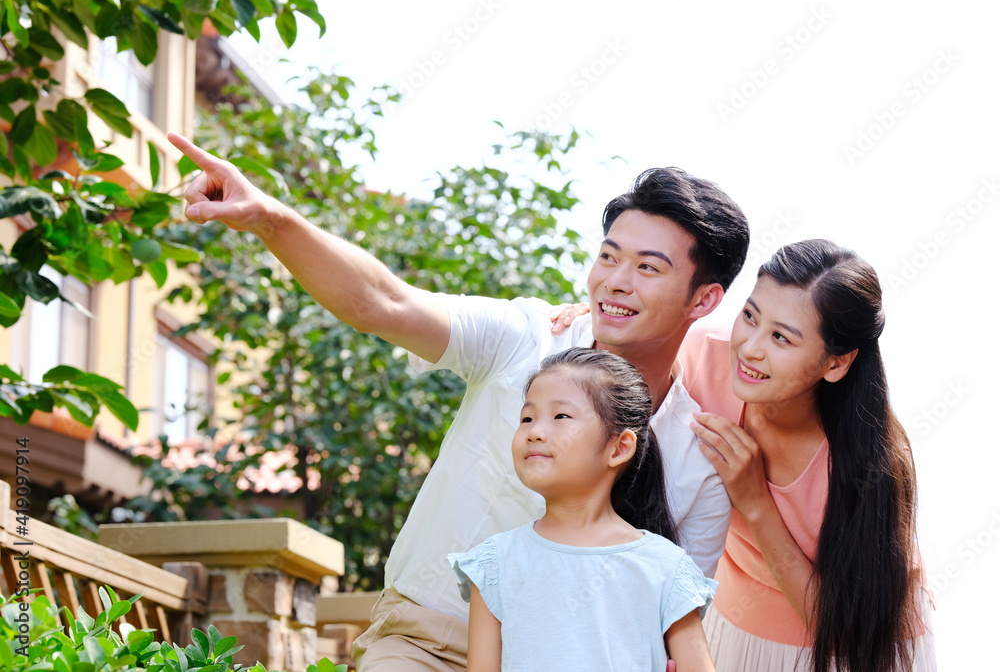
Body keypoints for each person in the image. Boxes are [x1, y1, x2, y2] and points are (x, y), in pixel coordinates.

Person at [167, 133, 750, 672]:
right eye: (608, 256)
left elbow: (670, 622)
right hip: (426, 640)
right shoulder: (526, 337)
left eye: (648, 268)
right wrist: (272, 219)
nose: (615, 281)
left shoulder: (698, 457)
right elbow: (383, 302)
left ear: (704, 299)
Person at [684, 240, 936, 672]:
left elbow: (843, 631)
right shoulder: (703, 356)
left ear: (836, 364)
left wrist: (755, 501)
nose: (749, 348)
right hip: (735, 618)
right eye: (750, 316)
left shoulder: (870, 466)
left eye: (781, 337)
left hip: (854, 648)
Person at [448, 347, 717, 672]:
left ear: (619, 447)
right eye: (527, 418)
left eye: (561, 416)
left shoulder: (666, 567)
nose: (534, 432)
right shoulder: (494, 565)